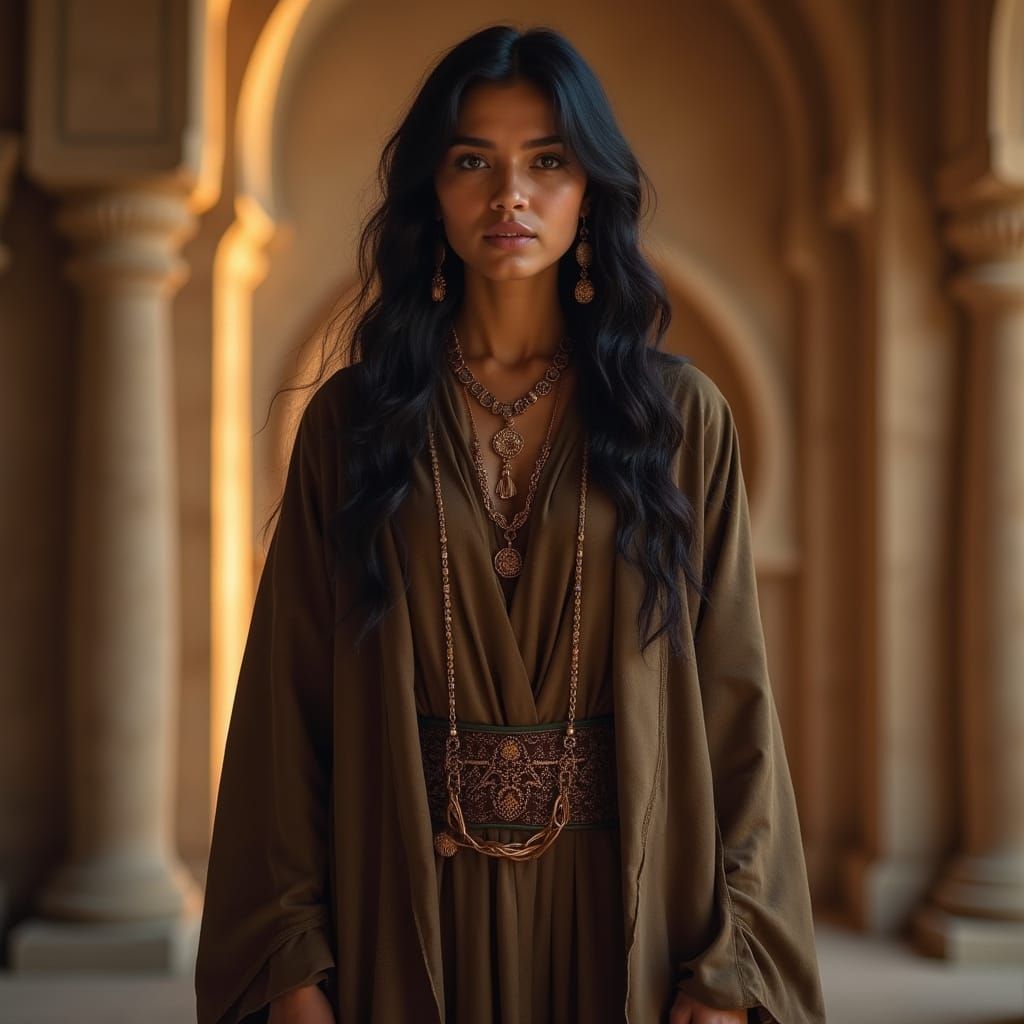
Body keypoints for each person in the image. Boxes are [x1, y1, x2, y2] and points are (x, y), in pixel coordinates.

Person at [194, 23, 827, 1024]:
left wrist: (729, 964)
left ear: (591, 190)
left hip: (628, 907)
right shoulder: (352, 422)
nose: (509, 196)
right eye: (471, 161)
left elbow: (734, 706)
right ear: (430, 192)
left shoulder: (674, 418)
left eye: (547, 161)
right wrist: (289, 962)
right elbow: (287, 707)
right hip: (402, 902)